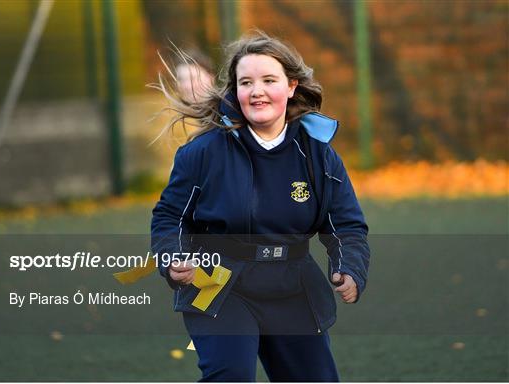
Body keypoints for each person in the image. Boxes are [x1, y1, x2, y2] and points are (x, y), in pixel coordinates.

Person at [151, 31, 370, 382]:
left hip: (293, 284)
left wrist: (350, 267)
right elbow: (170, 217)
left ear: (291, 86)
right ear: (234, 91)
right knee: (230, 374)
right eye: (246, 82)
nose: (257, 91)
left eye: (269, 80)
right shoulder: (203, 153)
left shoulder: (318, 155)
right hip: (217, 283)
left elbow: (345, 224)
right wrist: (172, 257)